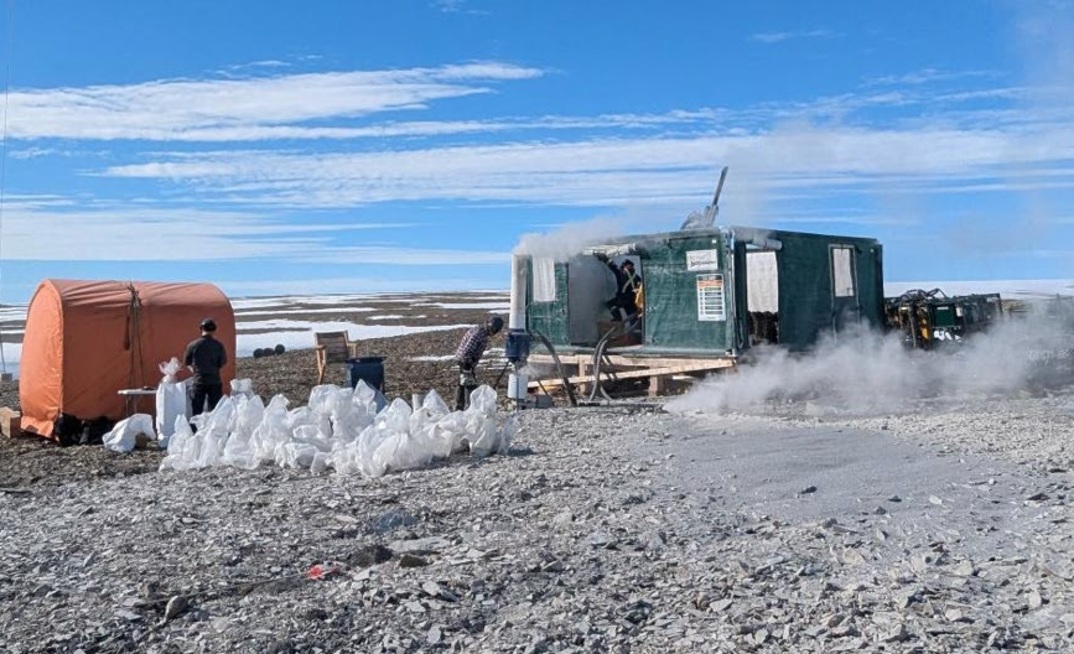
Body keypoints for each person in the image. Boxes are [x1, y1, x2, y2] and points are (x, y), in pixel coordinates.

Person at [454, 315, 504, 410]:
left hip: (466, 361)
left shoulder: (481, 331)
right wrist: (467, 367)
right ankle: (471, 408)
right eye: (494, 330)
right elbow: (466, 351)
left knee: (461, 384)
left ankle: (459, 407)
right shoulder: (478, 334)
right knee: (470, 385)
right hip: (465, 362)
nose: (494, 333)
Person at [183, 318, 228, 416]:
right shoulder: (218, 345)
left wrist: (195, 371)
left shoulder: (193, 345)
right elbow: (222, 362)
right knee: (216, 410)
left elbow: (187, 362)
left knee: (197, 410)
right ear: (214, 330)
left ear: (201, 329)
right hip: (214, 381)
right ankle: (214, 430)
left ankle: (195, 430)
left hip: (199, 381)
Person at [601, 257, 643, 322]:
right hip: (632, 300)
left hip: (622, 299)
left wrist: (604, 258)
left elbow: (612, 266)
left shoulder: (622, 272)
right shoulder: (636, 276)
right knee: (633, 318)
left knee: (610, 304)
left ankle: (618, 319)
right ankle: (637, 329)